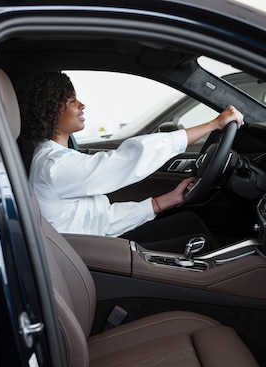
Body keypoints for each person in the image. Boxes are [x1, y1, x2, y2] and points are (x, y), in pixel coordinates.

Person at [15, 71, 244, 253]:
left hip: (93, 245)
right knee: (199, 240)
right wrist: (212, 125)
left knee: (189, 221)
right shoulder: (54, 166)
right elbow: (125, 161)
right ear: (50, 111)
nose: (81, 105)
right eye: (73, 100)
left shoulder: (56, 159)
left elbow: (100, 219)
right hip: (87, 256)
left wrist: (161, 203)